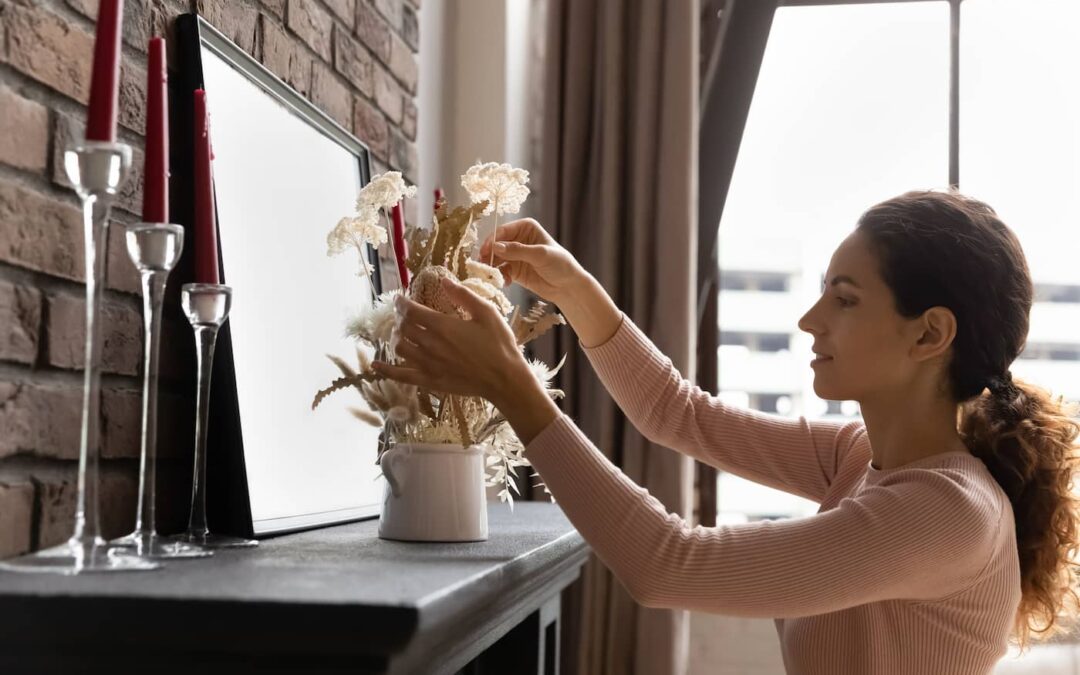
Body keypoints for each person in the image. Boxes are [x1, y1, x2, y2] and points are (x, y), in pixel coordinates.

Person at [372, 189, 1080, 674]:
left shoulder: (946, 511)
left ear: (930, 333)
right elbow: (679, 413)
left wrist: (513, 388)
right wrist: (576, 290)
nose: (810, 319)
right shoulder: (862, 456)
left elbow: (667, 563)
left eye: (844, 298)